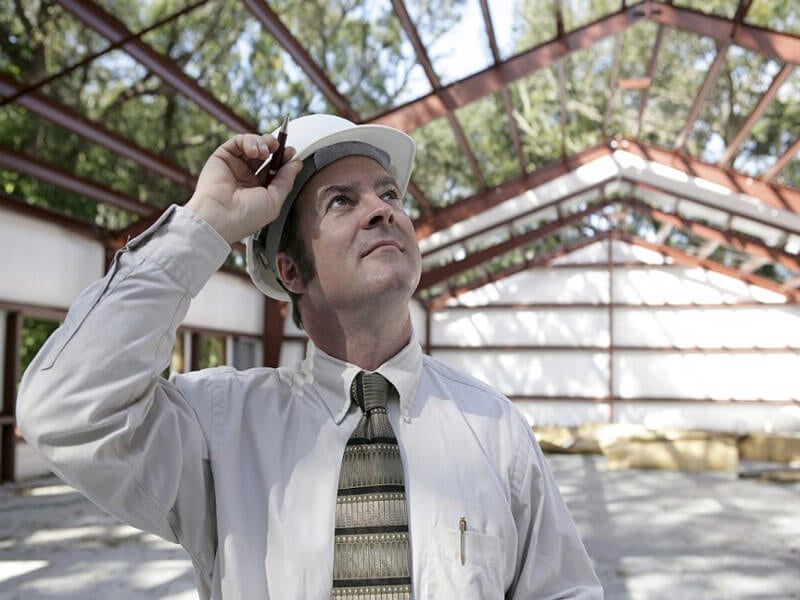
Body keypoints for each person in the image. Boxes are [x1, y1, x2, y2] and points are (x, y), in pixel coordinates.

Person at [17, 114, 603, 599]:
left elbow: (564, 591)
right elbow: (65, 410)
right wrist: (203, 226)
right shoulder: (221, 428)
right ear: (291, 272)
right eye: (342, 201)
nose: (383, 210)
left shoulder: (495, 428)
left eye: (389, 193)